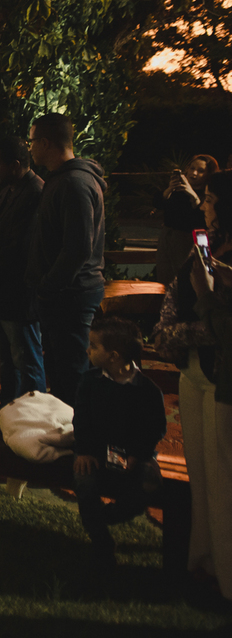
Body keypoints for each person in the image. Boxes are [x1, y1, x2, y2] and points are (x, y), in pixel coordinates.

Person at [154, 170, 232, 600]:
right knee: (200, 473)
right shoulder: (205, 243)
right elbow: (177, 287)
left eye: (211, 200)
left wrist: (180, 331)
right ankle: (202, 559)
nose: (204, 206)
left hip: (223, 376)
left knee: (223, 477)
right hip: (193, 372)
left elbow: (221, 326)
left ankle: (227, 574)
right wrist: (168, 327)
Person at [73, 316, 166, 573]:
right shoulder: (90, 381)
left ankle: (106, 517)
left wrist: (137, 455)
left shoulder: (147, 390)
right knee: (84, 479)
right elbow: (81, 418)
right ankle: (101, 542)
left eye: (94, 346)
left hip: (132, 454)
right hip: (98, 451)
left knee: (149, 484)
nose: (87, 350)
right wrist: (85, 451)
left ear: (113, 356)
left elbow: (155, 429)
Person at [26, 113, 106, 409]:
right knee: (61, 372)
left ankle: (80, 432)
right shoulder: (62, 180)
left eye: (32, 141)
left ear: (46, 143)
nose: (30, 148)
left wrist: (48, 286)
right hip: (63, 293)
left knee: (72, 373)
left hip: (71, 295)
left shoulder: (74, 183)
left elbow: (78, 248)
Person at [0, 137, 46, 408]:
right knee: (7, 359)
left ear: (14, 165)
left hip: (18, 294)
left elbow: (19, 249)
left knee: (26, 361)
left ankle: (34, 419)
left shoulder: (35, 194)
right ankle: (9, 412)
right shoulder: (8, 190)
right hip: (0, 292)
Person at [155, 154, 220, 286]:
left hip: (188, 240)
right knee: (164, 278)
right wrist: (169, 190)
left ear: (208, 174)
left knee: (184, 279)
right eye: (192, 168)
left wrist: (193, 196)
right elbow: (158, 204)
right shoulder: (178, 190)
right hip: (168, 236)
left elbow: (203, 220)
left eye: (200, 171)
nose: (194, 173)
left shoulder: (209, 194)